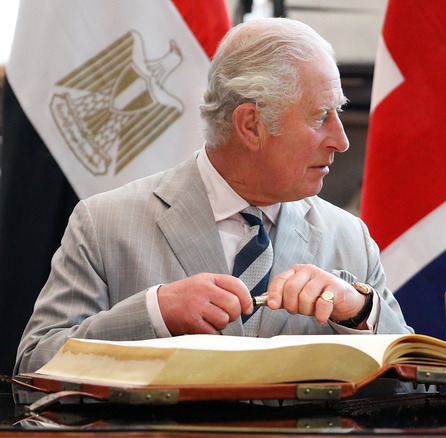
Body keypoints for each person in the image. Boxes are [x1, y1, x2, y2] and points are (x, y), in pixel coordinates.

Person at [16, 17, 412, 375]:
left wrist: (358, 312)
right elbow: (34, 364)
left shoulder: (350, 237)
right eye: (320, 116)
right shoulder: (103, 223)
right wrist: (156, 313)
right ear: (251, 125)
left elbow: (419, 383)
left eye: (339, 113)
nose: (341, 140)